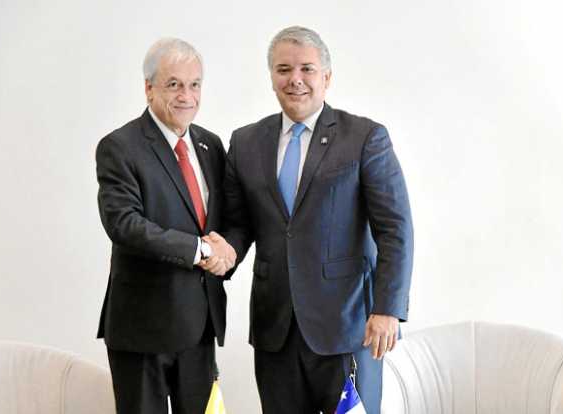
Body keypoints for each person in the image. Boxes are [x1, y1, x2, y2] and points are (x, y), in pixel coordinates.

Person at [222, 26, 413, 414]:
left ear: (327, 77)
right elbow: (240, 225)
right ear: (272, 77)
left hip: (348, 328)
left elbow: (395, 229)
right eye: (283, 69)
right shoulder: (245, 142)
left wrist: (388, 309)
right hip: (276, 329)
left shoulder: (364, 137)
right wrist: (224, 251)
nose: (295, 80)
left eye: (307, 69)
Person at [95, 38, 236, 414]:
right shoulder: (120, 147)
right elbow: (124, 223)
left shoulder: (210, 145)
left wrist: (229, 251)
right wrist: (200, 250)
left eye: (195, 84)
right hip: (143, 330)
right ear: (148, 88)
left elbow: (226, 223)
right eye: (174, 84)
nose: (186, 95)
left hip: (200, 326)